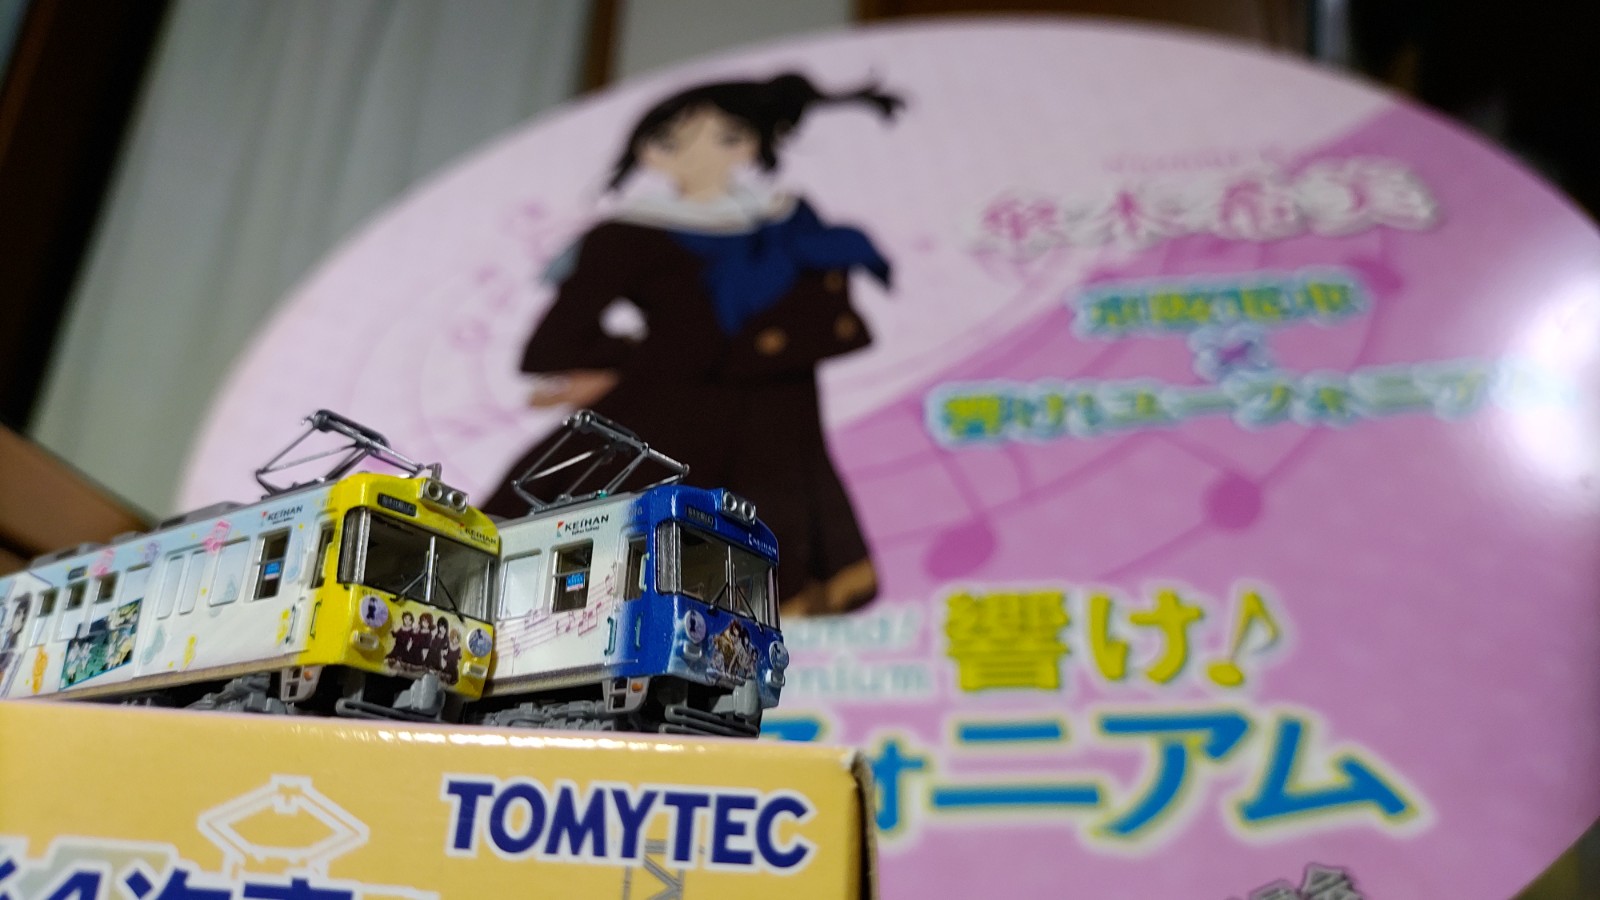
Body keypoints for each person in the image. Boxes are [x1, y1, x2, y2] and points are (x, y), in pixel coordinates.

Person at [482, 73, 902, 618]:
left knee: (766, 580)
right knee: (619, 555)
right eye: (673, 141)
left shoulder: (786, 218)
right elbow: (552, 344)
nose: (700, 155)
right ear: (648, 152)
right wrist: (635, 360)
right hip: (679, 414)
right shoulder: (629, 234)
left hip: (779, 418)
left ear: (752, 144)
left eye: (727, 137)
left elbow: (817, 317)